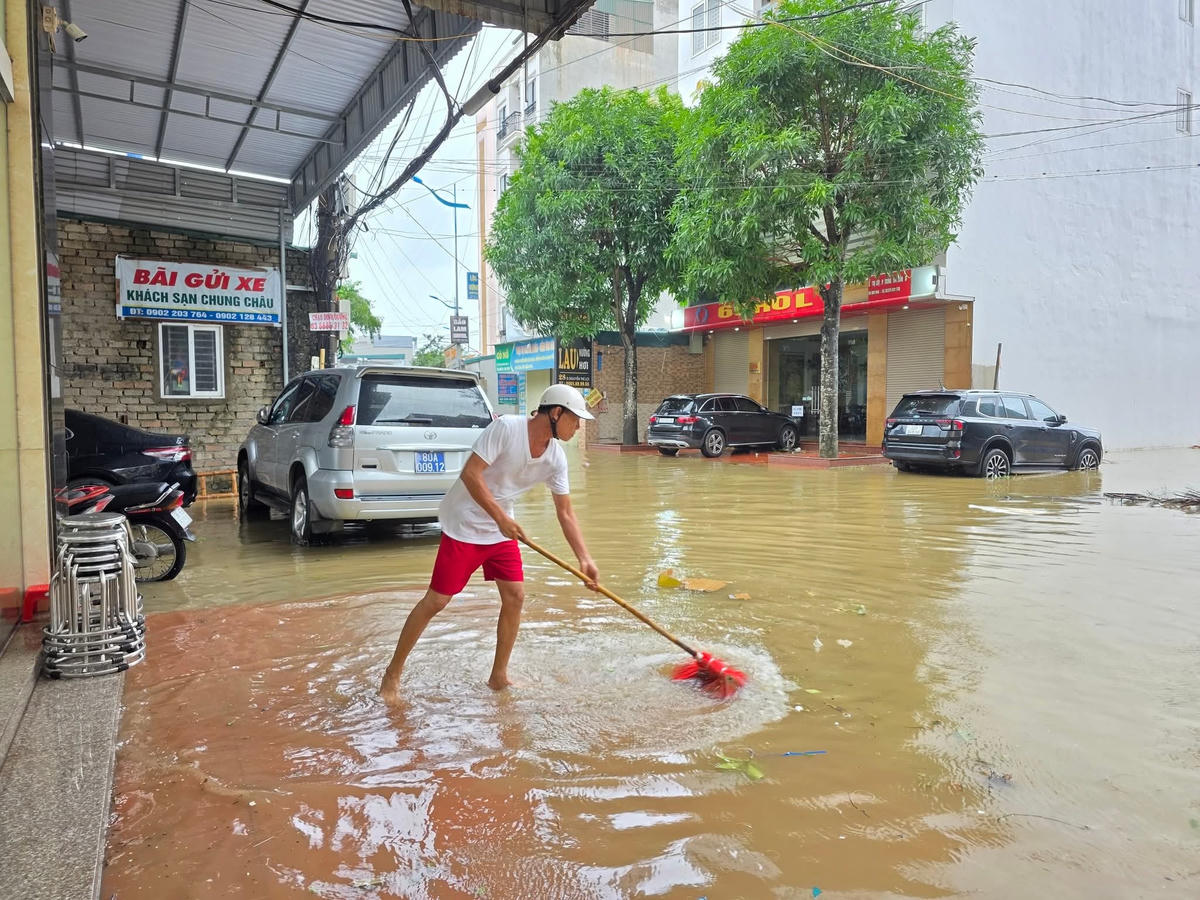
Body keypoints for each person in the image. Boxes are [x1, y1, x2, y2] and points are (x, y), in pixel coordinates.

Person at [380, 383, 599, 701]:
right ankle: (393, 673)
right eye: (575, 419)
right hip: (464, 523)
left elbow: (565, 513)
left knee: (516, 596)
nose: (578, 426)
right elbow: (470, 474)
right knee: (437, 601)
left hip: (500, 531)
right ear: (555, 413)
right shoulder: (506, 428)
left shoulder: (555, 459)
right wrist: (500, 518)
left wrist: (585, 559)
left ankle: (498, 676)